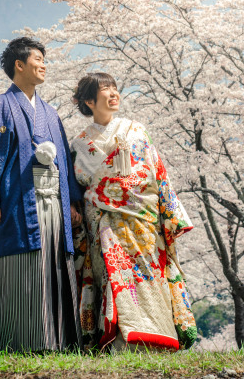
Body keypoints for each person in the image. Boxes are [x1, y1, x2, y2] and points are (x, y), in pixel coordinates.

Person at [0, 37, 83, 352]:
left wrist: (71, 201)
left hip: (54, 201)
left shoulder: (51, 113)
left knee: (55, 260)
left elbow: (63, 160)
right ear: (19, 64)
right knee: (23, 264)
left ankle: (59, 342)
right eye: (38, 59)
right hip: (18, 203)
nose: (44, 65)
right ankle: (20, 342)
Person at [70, 72, 197, 351]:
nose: (114, 93)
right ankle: (119, 344)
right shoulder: (79, 144)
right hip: (103, 221)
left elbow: (157, 172)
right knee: (112, 276)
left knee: (149, 276)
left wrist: (171, 214)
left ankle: (159, 341)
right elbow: (78, 186)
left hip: (143, 218)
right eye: (106, 89)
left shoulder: (136, 130)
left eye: (115, 88)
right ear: (89, 101)